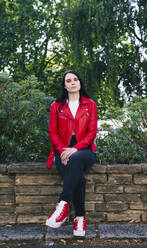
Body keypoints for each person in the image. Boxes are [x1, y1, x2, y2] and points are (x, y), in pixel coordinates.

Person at [46, 70, 97, 237]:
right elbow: (52, 132)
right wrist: (62, 150)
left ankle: (62, 205)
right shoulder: (56, 106)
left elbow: (92, 132)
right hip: (62, 149)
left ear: (80, 83)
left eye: (75, 79)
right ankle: (80, 218)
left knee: (75, 160)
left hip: (85, 149)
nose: (73, 82)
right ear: (65, 85)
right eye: (68, 80)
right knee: (78, 177)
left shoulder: (90, 104)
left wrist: (75, 148)